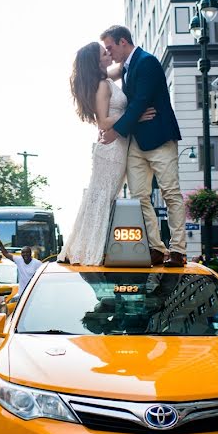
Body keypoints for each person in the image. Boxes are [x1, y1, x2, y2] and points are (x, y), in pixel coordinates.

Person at [57, 42, 155, 264]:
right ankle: (88, 251)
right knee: (101, 197)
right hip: (111, 149)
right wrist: (134, 116)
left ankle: (85, 248)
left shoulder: (105, 78)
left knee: (101, 196)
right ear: (97, 60)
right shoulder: (102, 85)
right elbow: (103, 121)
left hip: (117, 146)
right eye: (104, 52)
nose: (108, 53)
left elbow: (124, 67)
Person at [100, 25, 184, 267]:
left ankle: (177, 250)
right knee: (139, 197)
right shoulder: (126, 67)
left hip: (159, 139)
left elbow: (139, 103)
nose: (109, 52)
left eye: (110, 47)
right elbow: (132, 107)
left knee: (170, 193)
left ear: (123, 42)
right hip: (136, 142)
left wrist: (114, 131)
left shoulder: (147, 62)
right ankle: (157, 248)